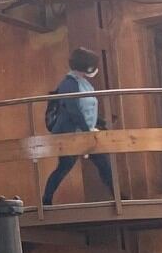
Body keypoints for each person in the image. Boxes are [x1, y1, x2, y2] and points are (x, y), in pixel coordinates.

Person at [42, 47, 115, 206]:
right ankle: (46, 200)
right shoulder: (69, 83)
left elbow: (87, 109)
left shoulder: (84, 83)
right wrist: (86, 130)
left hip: (85, 133)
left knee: (103, 164)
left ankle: (118, 196)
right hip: (73, 134)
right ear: (88, 67)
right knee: (64, 167)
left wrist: (98, 123)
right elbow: (73, 109)